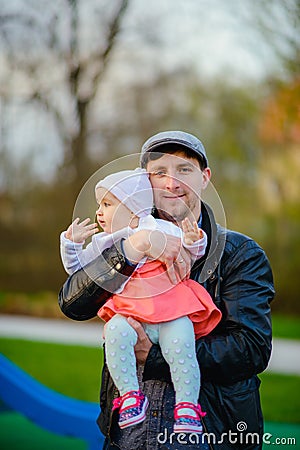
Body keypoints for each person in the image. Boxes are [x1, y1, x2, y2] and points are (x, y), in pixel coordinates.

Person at [58, 131, 275, 450]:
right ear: (145, 183)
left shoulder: (241, 254)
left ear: (204, 178)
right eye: (159, 172)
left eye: (184, 170)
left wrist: (155, 356)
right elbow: (73, 304)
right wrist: (131, 250)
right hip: (129, 434)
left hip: (210, 433)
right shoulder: (121, 239)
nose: (172, 183)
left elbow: (251, 349)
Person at [60, 168, 221, 434]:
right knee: (114, 333)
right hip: (130, 313)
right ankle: (130, 396)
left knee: (181, 348)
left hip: (171, 310)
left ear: (133, 209)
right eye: (100, 205)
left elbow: (189, 254)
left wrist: (194, 241)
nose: (99, 211)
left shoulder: (161, 227)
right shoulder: (105, 243)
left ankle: (187, 406)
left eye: (107, 204)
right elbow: (78, 271)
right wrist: (71, 244)